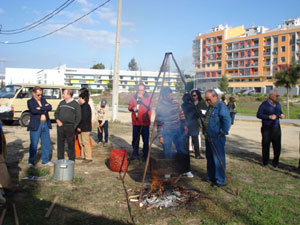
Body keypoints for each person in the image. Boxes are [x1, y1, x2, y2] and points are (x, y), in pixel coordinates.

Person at [156, 87, 193, 178]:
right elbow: (159, 123)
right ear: (164, 96)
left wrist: (184, 125)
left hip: (178, 130)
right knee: (168, 151)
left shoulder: (176, 103)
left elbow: (181, 115)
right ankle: (168, 170)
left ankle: (185, 169)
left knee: (182, 150)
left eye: (172, 94)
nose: (171, 95)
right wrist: (161, 136)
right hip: (166, 132)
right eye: (169, 94)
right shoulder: (160, 107)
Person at [203, 89, 231, 187]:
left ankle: (220, 180)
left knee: (218, 159)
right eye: (206, 100)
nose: (208, 101)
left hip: (217, 137)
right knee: (209, 158)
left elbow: (227, 121)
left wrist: (222, 132)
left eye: (209, 99)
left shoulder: (221, 106)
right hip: (208, 136)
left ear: (215, 96)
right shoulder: (210, 107)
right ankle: (211, 176)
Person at [256, 90, 284, 168]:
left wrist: (281, 115)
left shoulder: (278, 104)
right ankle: (265, 162)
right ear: (271, 96)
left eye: (278, 96)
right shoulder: (264, 104)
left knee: (277, 146)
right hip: (266, 128)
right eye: (276, 96)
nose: (277, 97)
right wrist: (268, 117)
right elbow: (258, 114)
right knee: (265, 145)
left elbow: (279, 112)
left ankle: (275, 162)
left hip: (276, 128)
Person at [27, 86, 52, 167]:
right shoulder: (30, 102)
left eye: (41, 94)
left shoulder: (43, 100)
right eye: (38, 95)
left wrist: (40, 108)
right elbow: (33, 111)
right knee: (34, 144)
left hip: (45, 124)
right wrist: (44, 109)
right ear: (33, 93)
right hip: (36, 125)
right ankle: (31, 162)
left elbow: (50, 107)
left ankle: (45, 160)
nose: (40, 96)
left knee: (46, 143)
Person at [128, 83, 153, 161]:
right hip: (136, 122)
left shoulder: (148, 96)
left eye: (141, 90)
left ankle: (145, 155)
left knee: (145, 140)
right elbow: (129, 107)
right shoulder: (134, 97)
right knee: (135, 139)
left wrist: (142, 98)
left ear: (144, 90)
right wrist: (132, 108)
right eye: (139, 90)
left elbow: (150, 106)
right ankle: (135, 154)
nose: (140, 92)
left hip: (145, 123)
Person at [55, 89, 81, 161]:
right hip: (60, 126)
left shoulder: (76, 105)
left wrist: (74, 127)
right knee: (60, 144)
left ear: (69, 95)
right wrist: (57, 120)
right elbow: (56, 113)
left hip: (70, 127)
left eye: (64, 93)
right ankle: (60, 159)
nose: (62, 95)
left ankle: (72, 159)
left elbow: (78, 117)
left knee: (71, 144)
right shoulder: (61, 103)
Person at [181, 93, 202, 159]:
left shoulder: (182, 106)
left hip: (184, 124)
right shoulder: (194, 106)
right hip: (194, 125)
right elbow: (199, 114)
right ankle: (197, 154)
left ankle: (185, 154)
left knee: (185, 141)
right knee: (195, 141)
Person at [77, 92, 93, 163]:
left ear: (83, 98)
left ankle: (88, 157)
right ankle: (83, 156)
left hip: (85, 128)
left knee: (85, 143)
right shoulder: (82, 106)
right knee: (81, 142)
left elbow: (84, 118)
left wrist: (80, 126)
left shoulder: (86, 107)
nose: (79, 99)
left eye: (80, 98)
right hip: (81, 128)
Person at [191, 89, 207, 157]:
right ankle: (191, 149)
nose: (193, 97)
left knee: (197, 136)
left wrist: (199, 112)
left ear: (198, 95)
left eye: (194, 95)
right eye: (192, 95)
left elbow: (205, 112)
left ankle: (197, 153)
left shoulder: (201, 102)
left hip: (200, 120)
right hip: (192, 121)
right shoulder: (191, 102)